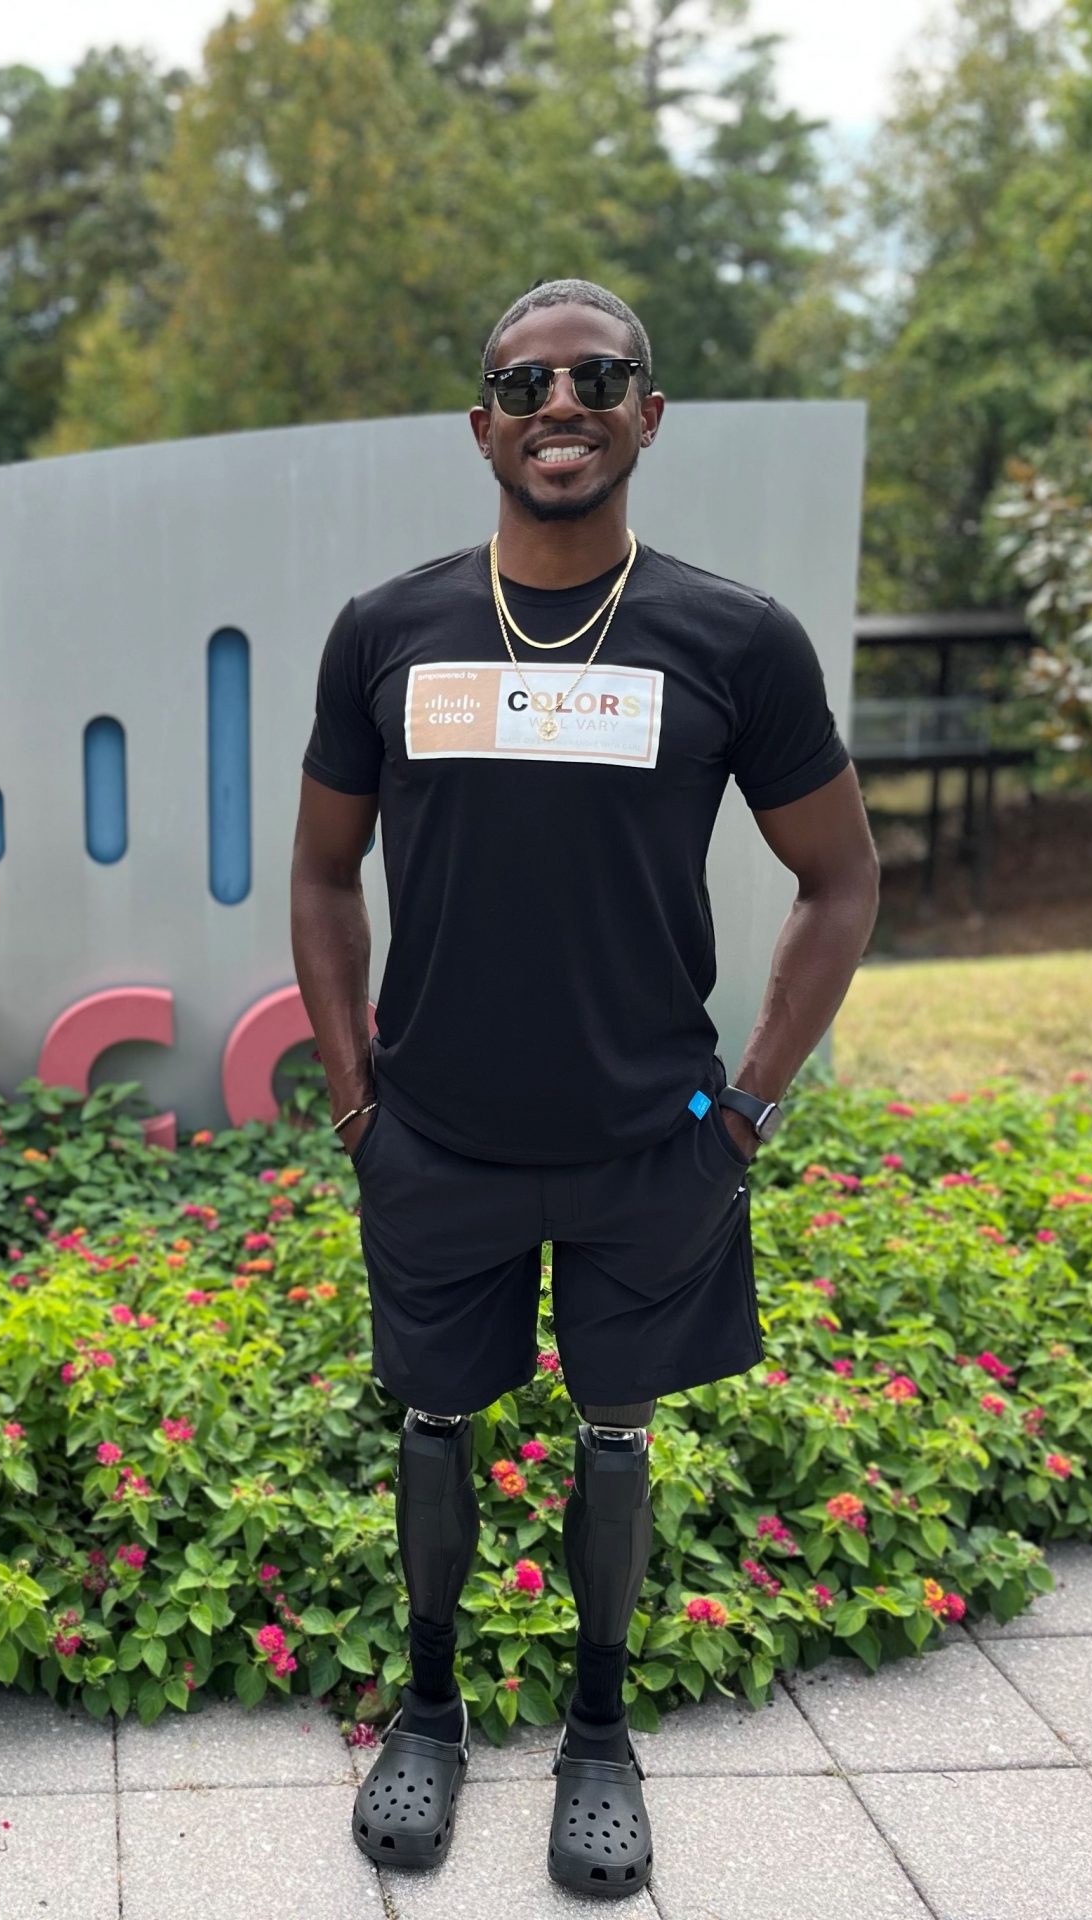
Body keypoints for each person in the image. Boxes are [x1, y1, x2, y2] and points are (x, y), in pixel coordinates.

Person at [289, 280, 879, 1898]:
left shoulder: (732, 639)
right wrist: (358, 1107)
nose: (563, 404)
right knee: (436, 1423)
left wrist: (745, 1111)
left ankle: (600, 1737)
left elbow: (840, 883)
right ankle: (429, 1708)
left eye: (598, 379)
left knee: (614, 1435)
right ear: (482, 425)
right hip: (439, 1144)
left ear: (647, 415)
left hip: (648, 1146)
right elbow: (326, 880)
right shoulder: (389, 632)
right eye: (526, 383)